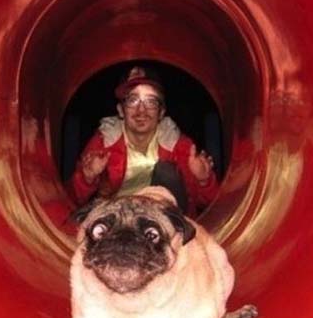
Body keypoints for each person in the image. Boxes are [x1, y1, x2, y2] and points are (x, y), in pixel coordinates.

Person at [69, 66, 219, 217]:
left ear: (161, 112)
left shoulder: (179, 146)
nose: (141, 110)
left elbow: (212, 205)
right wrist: (87, 178)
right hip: (118, 219)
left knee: (166, 171)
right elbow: (71, 201)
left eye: (151, 101)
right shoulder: (103, 143)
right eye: (133, 100)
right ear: (121, 110)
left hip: (164, 220)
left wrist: (204, 181)